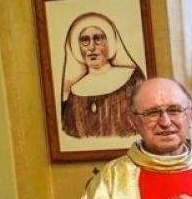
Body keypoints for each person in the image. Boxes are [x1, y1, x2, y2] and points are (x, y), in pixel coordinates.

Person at [59, 12, 144, 140]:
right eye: (85, 41)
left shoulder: (132, 79)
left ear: (109, 42)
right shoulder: (75, 93)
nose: (92, 47)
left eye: (98, 39)